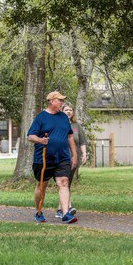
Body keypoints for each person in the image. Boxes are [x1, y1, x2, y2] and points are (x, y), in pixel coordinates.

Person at [27, 91, 78, 223]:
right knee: (41, 185)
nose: (61, 103)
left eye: (62, 100)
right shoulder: (41, 118)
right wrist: (40, 140)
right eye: (59, 100)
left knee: (64, 182)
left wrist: (74, 155)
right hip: (43, 158)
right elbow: (30, 136)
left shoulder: (63, 118)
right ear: (52, 101)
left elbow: (70, 136)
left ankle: (66, 213)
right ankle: (38, 211)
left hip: (62, 157)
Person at [55, 103, 88, 218]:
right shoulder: (57, 124)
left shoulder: (76, 126)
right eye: (66, 110)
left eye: (70, 110)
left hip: (73, 159)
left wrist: (84, 154)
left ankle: (60, 210)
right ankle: (68, 207)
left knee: (67, 184)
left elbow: (82, 141)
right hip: (60, 158)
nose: (69, 112)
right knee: (64, 182)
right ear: (62, 111)